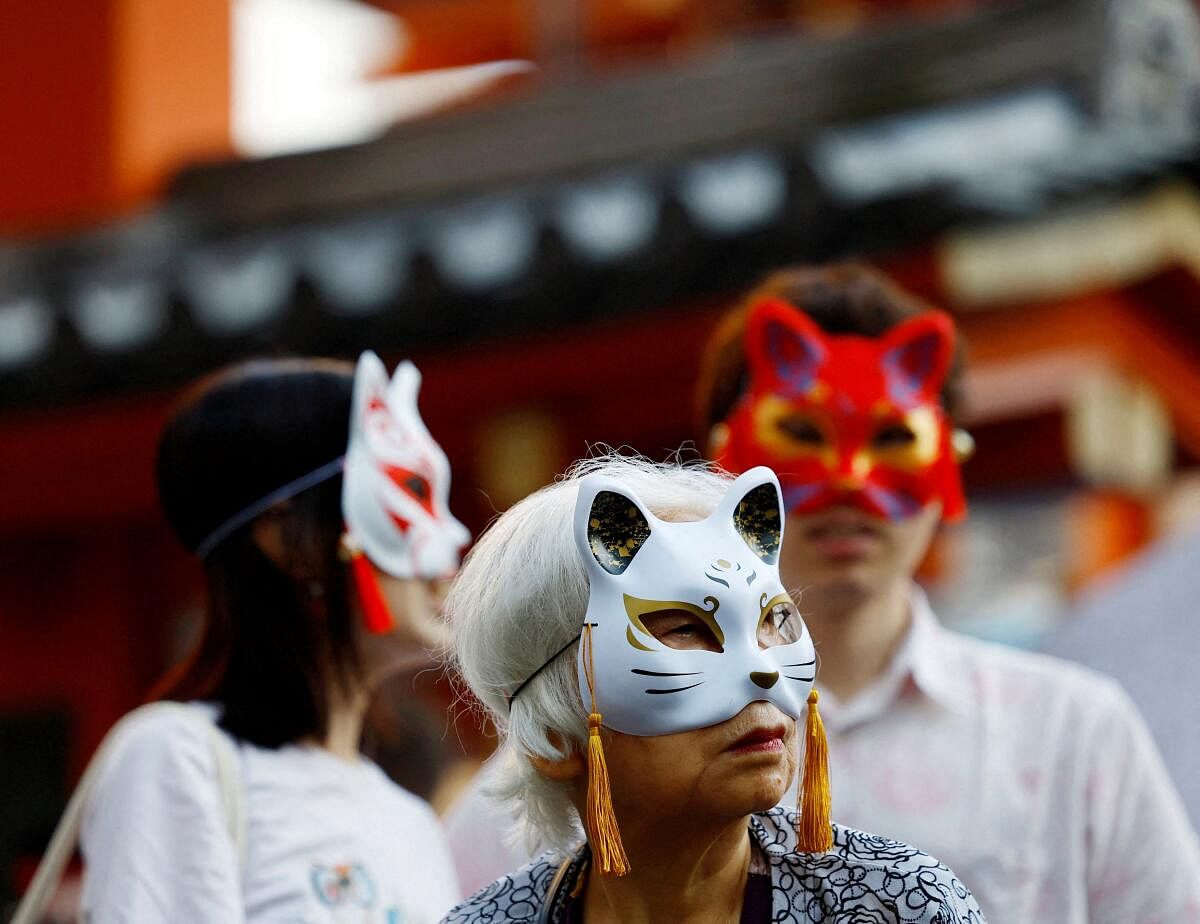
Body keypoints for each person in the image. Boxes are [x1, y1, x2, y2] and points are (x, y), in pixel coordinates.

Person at [695, 264, 1200, 921]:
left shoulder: (1071, 734)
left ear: (948, 467)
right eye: (803, 434)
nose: (850, 481)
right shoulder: (621, 752)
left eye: (893, 438)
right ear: (721, 467)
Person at [442, 455, 985, 923]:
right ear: (553, 739)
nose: (763, 673)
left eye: (773, 620)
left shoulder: (897, 906)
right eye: (683, 630)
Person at [72, 353, 467, 922]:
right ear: (292, 542)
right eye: (407, 496)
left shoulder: (412, 823)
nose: (450, 541)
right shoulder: (179, 761)